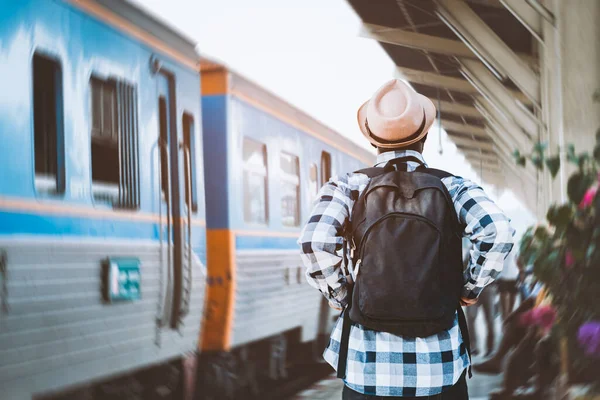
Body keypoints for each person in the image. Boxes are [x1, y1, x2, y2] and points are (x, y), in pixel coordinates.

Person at [299, 79, 514, 399]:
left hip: (366, 373)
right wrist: (468, 288)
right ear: (424, 136)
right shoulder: (453, 187)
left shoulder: (349, 187)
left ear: (373, 140)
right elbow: (498, 231)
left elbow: (314, 242)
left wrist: (344, 294)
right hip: (439, 371)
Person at [464, 246, 496, 357]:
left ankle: (490, 348)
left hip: (488, 289)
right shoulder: (471, 250)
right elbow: (463, 268)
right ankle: (474, 347)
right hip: (472, 290)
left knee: (490, 319)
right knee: (470, 317)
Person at [496, 249, 520, 321]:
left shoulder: (516, 241)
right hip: (501, 275)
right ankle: (505, 318)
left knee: (513, 295)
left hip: (513, 275)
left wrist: (521, 270)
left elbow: (517, 257)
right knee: (503, 295)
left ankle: (509, 317)